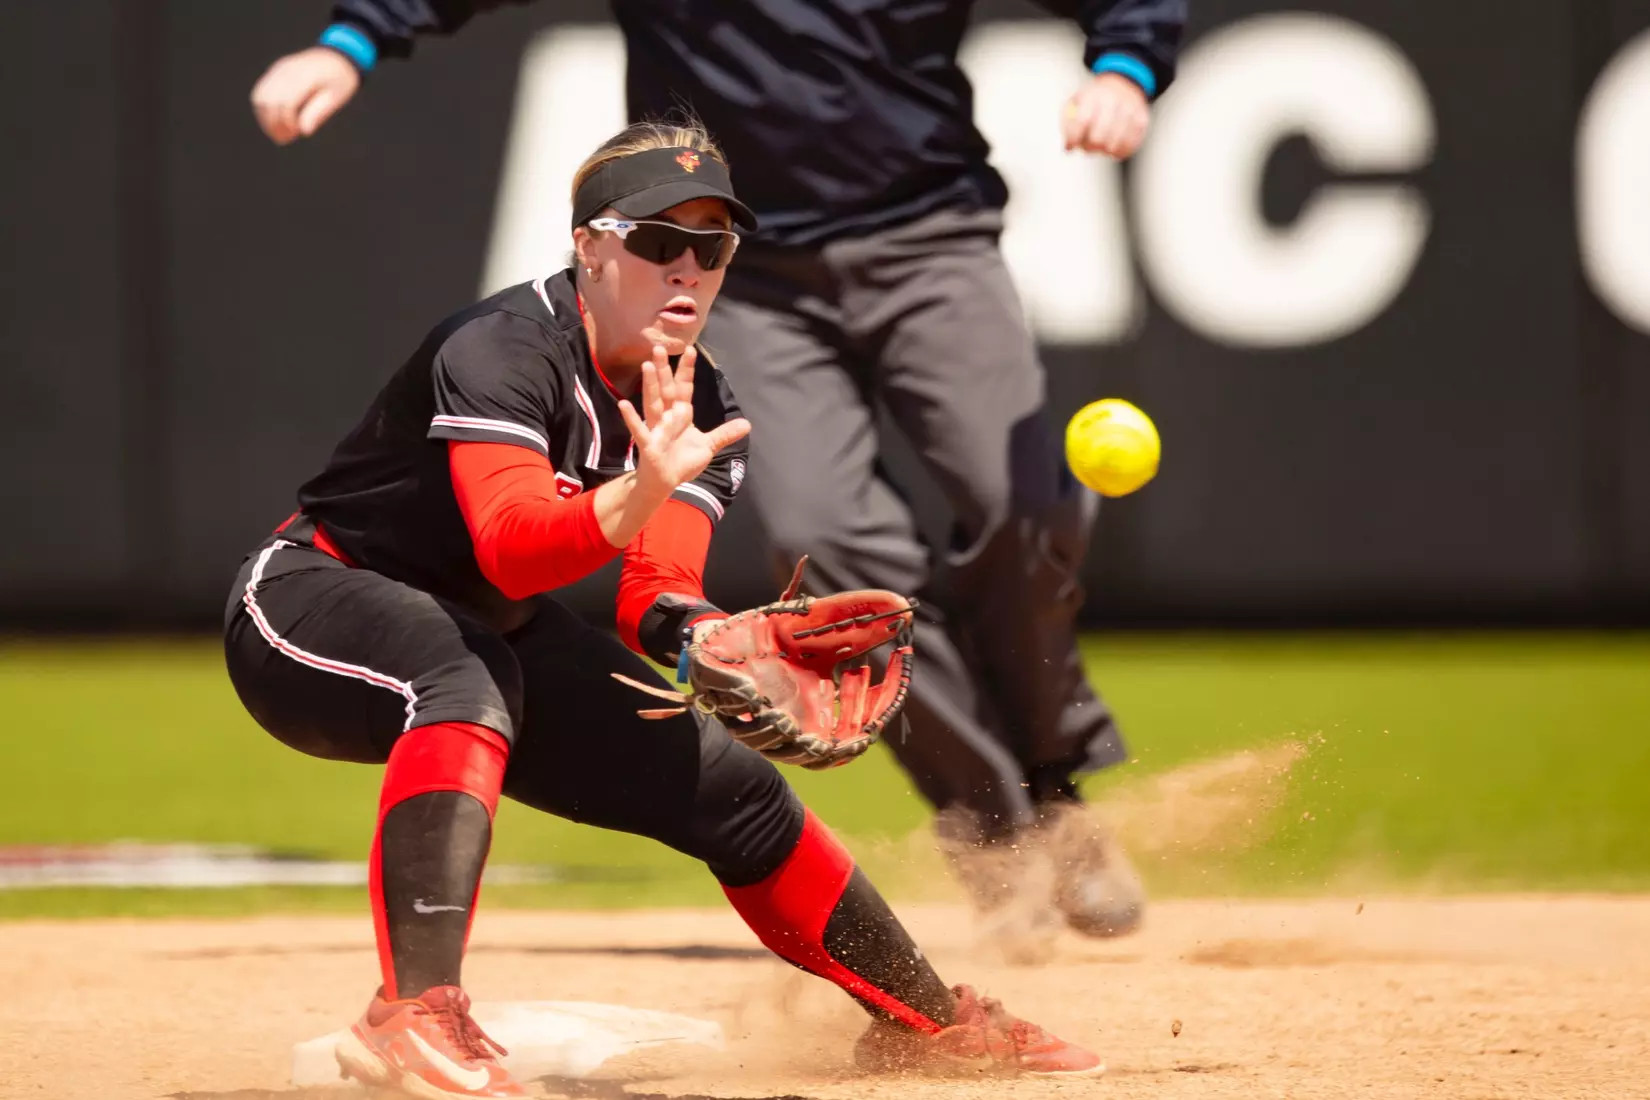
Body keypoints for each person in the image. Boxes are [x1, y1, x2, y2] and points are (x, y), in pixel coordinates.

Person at [251, 0, 1187, 956]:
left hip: (932, 233)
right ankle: (1000, 829)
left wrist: (1127, 63)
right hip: (753, 269)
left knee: (1018, 508)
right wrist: (352, 39)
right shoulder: (561, 329)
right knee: (831, 542)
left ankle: (1054, 779)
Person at [223, 122, 1105, 1100]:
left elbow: (654, 590)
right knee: (462, 680)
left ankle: (925, 1021)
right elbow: (511, 542)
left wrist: (707, 641)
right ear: (590, 244)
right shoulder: (499, 349)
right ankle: (412, 1011)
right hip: (308, 604)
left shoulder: (702, 398)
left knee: (732, 786)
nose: (686, 267)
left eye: (712, 245)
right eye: (656, 241)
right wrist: (634, 493)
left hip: (491, 630)